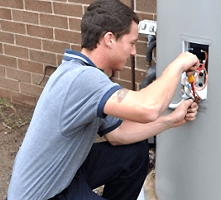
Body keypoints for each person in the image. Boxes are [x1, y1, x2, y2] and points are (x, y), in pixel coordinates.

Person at [7, 0, 200, 199]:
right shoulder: (84, 79)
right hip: (43, 194)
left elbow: (118, 135)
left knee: (135, 153)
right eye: (131, 43)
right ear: (109, 39)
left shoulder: (83, 73)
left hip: (65, 173)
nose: (133, 52)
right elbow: (149, 108)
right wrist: (179, 64)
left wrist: (172, 120)